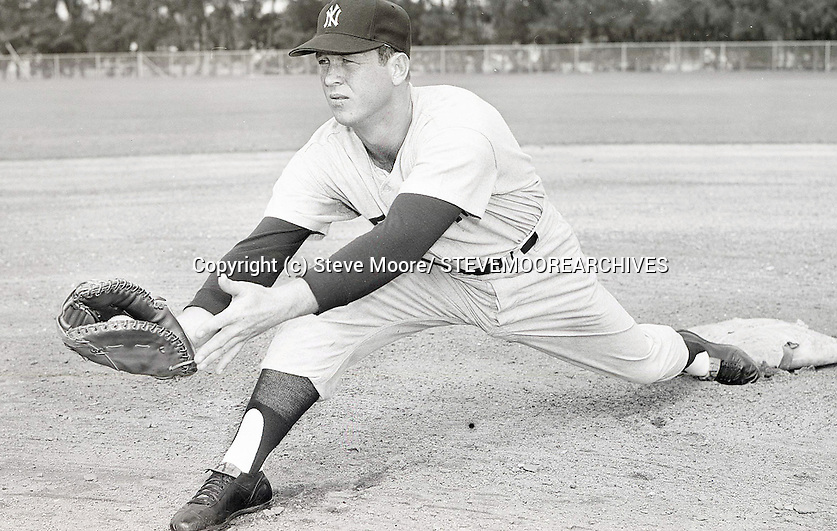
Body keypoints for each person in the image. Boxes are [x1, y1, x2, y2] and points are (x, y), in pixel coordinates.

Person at [168, 1, 760, 529]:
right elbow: (266, 245)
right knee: (313, 324)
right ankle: (241, 473)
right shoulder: (327, 151)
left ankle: (687, 347)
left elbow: (399, 241)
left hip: (535, 274)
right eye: (322, 61)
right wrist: (197, 320)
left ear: (397, 66)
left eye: (348, 59)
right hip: (432, 281)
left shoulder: (458, 125)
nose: (331, 75)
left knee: (642, 363)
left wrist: (284, 297)